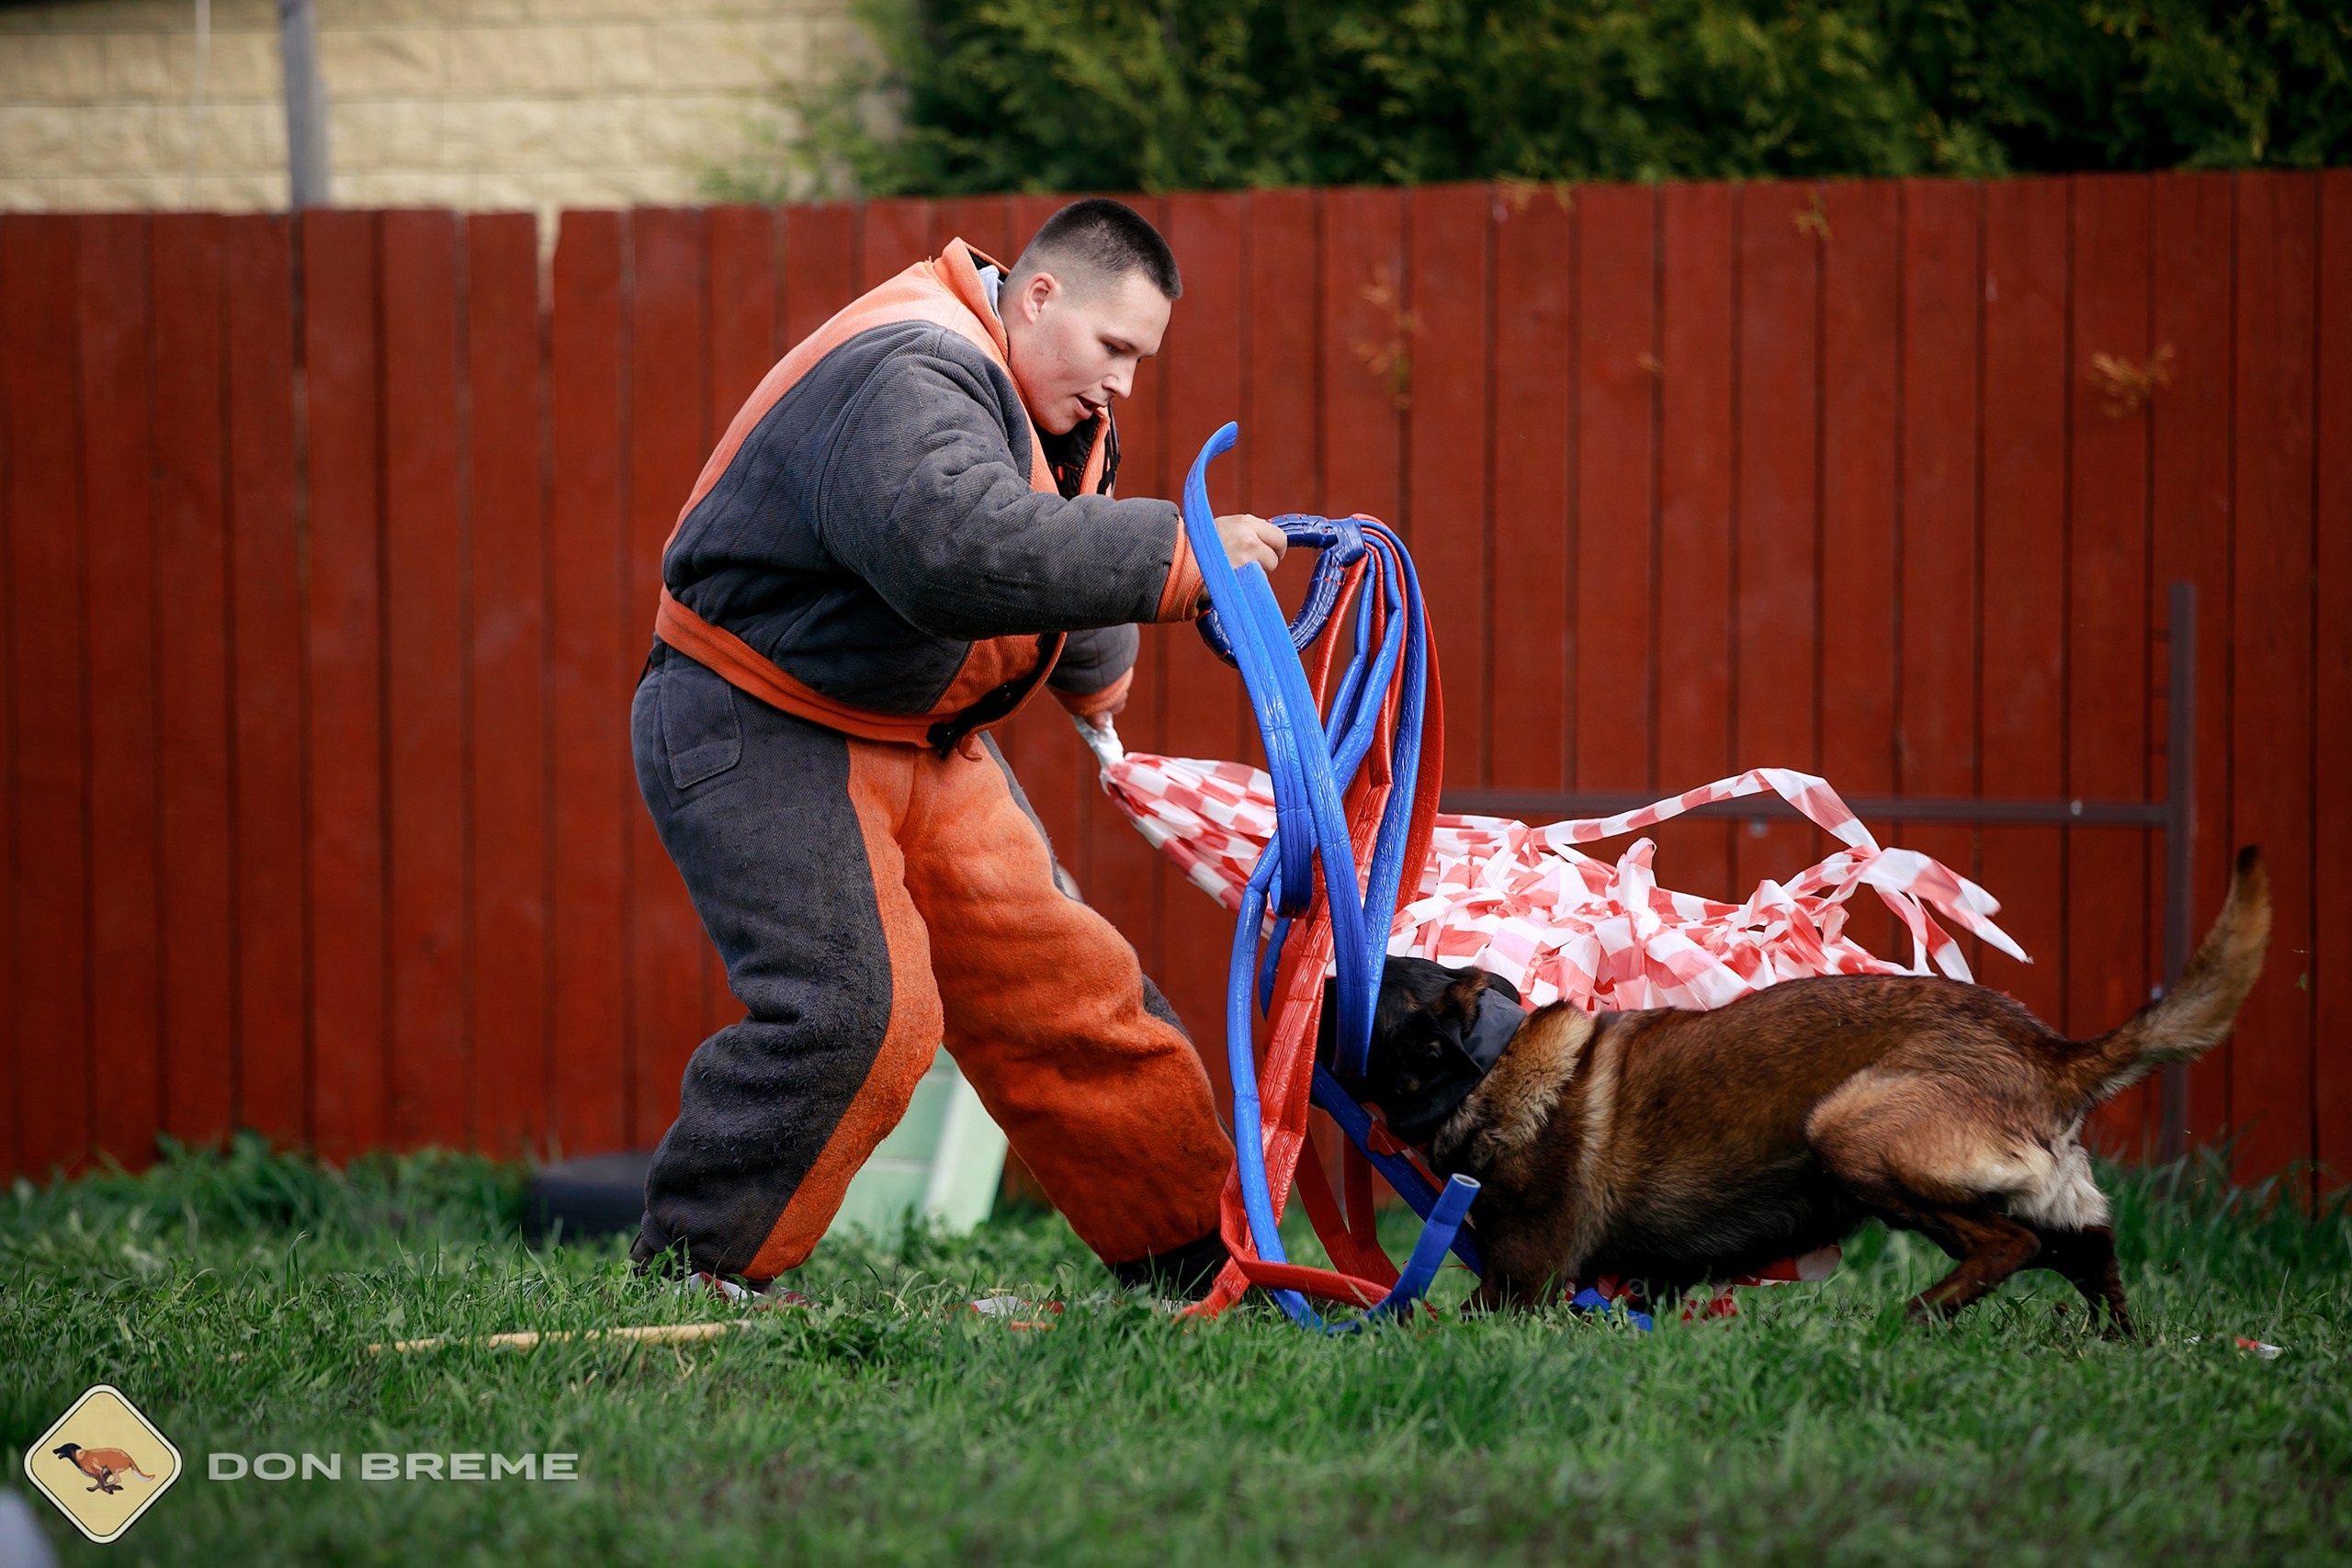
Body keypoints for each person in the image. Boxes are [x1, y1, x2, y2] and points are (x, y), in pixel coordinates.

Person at [630, 198, 1285, 1298]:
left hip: (922, 737)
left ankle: (1197, 1269)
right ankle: (700, 1273)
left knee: (1072, 992)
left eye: (1140, 358)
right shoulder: (908, 367)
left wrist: (1102, 693)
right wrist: (1183, 557)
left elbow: (1059, 530)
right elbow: (956, 547)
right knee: (861, 1011)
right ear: (1037, 297)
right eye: (1114, 346)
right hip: (761, 717)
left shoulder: (1047, 395)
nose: (1125, 380)